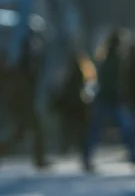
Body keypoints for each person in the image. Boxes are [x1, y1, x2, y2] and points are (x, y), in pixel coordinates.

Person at [82, 29, 135, 173]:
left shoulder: (106, 57)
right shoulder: (116, 59)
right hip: (111, 99)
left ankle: (87, 157)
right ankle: (134, 157)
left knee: (97, 129)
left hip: (106, 98)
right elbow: (114, 82)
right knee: (126, 128)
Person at [0, 32, 49, 169]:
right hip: (24, 104)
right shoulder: (24, 65)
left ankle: (39, 159)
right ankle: (39, 159)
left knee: (21, 133)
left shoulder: (23, 64)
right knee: (35, 131)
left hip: (23, 103)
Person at [52, 49, 93, 156]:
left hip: (69, 104)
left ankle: (66, 147)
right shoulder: (80, 71)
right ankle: (78, 147)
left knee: (67, 127)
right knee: (79, 128)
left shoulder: (67, 72)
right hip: (76, 104)